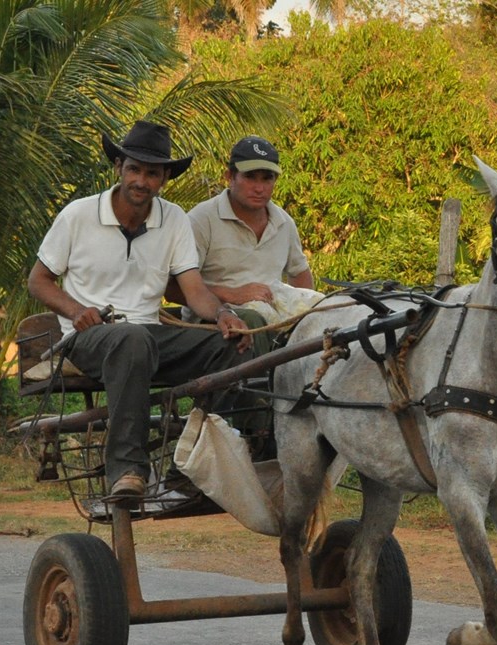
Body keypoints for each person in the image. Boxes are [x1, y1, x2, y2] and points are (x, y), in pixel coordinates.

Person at [26, 120, 249, 500]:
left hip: (147, 336)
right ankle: (127, 470)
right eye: (134, 169)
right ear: (118, 168)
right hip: (89, 338)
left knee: (231, 346)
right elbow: (39, 280)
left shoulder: (174, 219)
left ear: (163, 179)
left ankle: (193, 467)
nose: (141, 181)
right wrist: (77, 309)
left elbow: (194, 290)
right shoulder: (79, 215)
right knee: (130, 339)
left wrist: (223, 314)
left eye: (152, 173)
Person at [183, 135, 313, 355]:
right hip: (214, 319)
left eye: (267, 178)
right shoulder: (202, 219)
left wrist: (306, 310)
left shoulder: (283, 222)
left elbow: (300, 274)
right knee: (252, 319)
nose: (259, 187)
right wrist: (232, 294)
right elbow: (176, 285)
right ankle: (264, 385)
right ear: (229, 177)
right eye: (250, 177)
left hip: (272, 318)